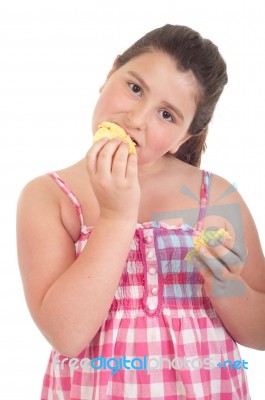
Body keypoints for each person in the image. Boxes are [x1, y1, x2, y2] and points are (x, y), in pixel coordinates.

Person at [16, 24, 265, 400]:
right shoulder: (49, 196)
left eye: (167, 115)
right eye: (134, 87)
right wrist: (117, 217)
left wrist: (225, 285)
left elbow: (260, 332)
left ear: (186, 137)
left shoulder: (215, 196)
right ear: (110, 72)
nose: (137, 119)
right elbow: (66, 335)